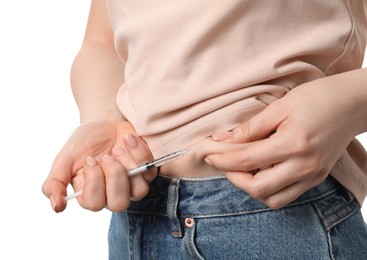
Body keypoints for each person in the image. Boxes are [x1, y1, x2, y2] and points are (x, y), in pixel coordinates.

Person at [43, 0, 367, 259]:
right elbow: (102, 41)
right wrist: (106, 118)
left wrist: (351, 100)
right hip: (135, 217)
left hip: (278, 212)